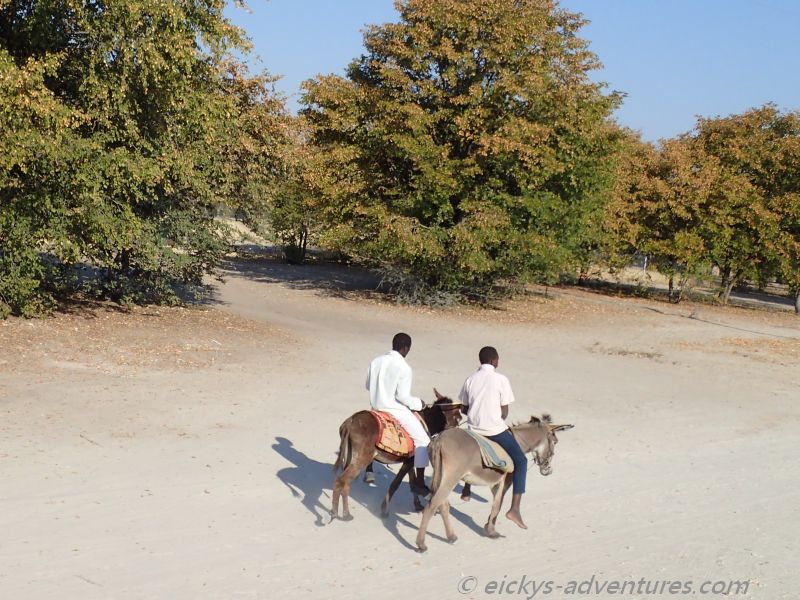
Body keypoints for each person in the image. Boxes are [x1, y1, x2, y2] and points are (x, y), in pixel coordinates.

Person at [459, 346, 528, 529]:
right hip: (494, 431)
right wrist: (496, 417)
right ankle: (515, 509)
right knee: (521, 461)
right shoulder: (501, 379)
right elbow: (505, 410)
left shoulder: (470, 379)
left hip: (473, 430)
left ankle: (466, 489)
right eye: (498, 360)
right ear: (493, 361)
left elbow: (463, 408)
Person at [366, 332, 430, 495]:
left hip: (375, 407)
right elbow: (402, 397)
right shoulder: (404, 367)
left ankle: (369, 470)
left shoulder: (376, 361)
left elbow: (368, 385)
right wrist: (419, 403)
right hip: (393, 409)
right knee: (423, 439)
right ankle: (419, 482)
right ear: (406, 348)